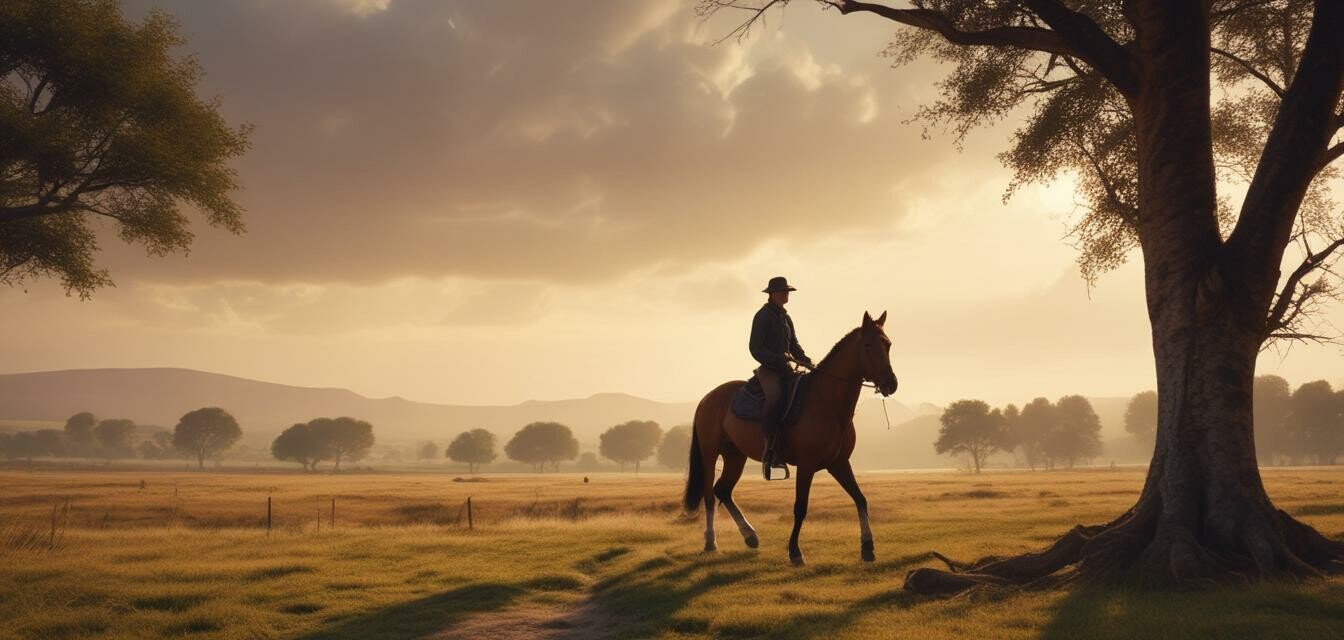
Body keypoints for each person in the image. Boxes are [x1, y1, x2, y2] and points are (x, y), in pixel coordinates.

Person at [749, 276, 812, 479]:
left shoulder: (786, 318)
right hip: (769, 369)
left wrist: (806, 360)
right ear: (772, 294)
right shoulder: (762, 316)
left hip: (786, 369)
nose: (786, 295)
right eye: (783, 292)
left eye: (787, 292)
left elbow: (794, 345)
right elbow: (755, 348)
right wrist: (777, 360)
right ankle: (770, 449)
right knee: (775, 397)